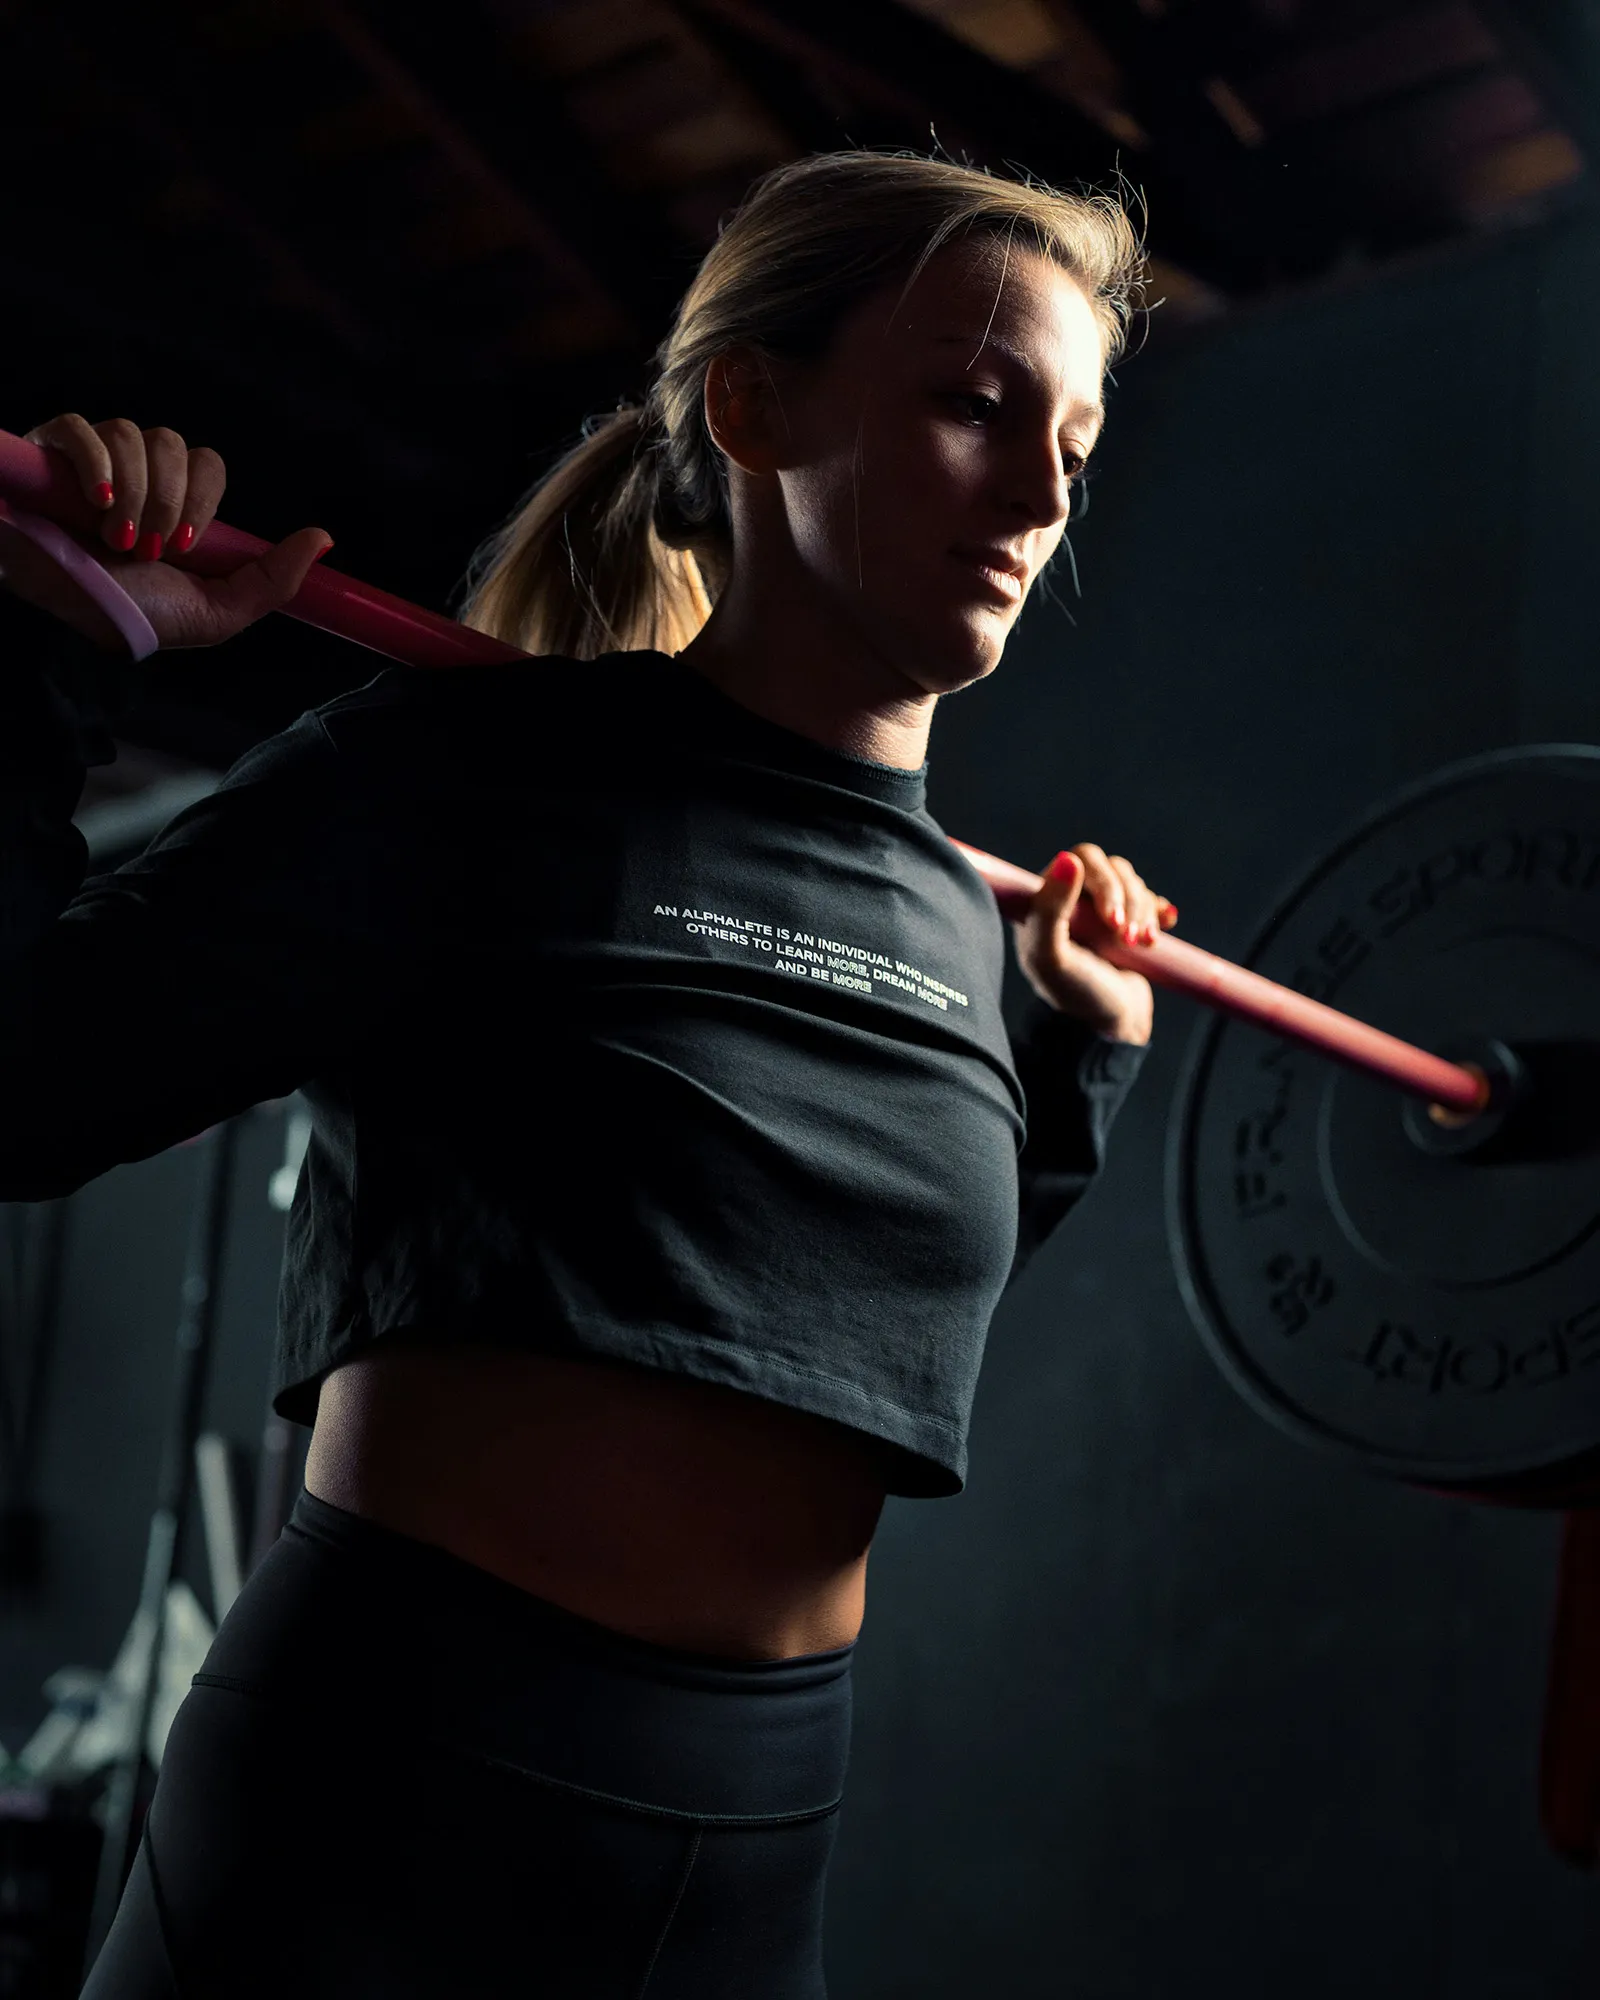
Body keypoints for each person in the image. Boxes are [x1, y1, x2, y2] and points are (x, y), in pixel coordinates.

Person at [0, 150, 1173, 1997]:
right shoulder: (465, 774)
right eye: (973, 404)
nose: (1042, 494)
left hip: (758, 1834)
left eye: (1077, 448)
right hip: (396, 1786)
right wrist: (54, 666)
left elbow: (837, 1332)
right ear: (751, 403)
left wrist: (1074, 1056)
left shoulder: (968, 927)